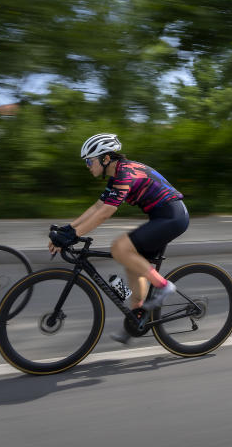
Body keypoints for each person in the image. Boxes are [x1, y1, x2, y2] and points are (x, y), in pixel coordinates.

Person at [48, 133, 188, 344]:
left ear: (105, 159)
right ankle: (136, 321)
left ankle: (163, 286)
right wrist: (69, 228)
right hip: (161, 217)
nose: (87, 165)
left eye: (89, 161)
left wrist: (74, 235)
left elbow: (105, 212)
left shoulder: (125, 172)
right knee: (133, 267)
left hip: (172, 217)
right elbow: (97, 206)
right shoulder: (116, 175)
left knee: (119, 248)